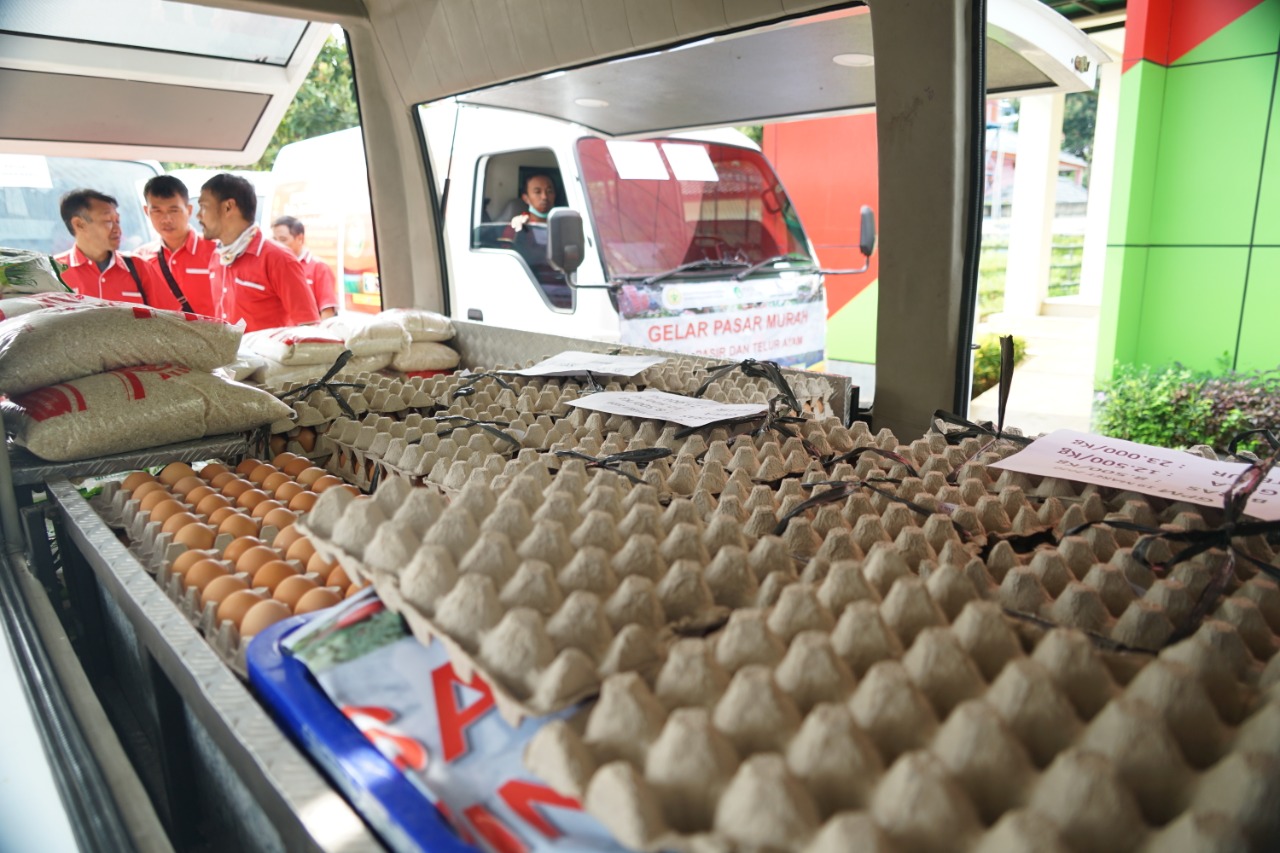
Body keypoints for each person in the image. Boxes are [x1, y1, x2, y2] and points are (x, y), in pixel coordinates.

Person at [197, 174, 319, 332]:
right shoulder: (217, 257)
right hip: (227, 357)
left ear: (228, 207)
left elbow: (309, 327)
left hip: (266, 357)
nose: (199, 215)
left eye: (204, 207)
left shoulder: (279, 258)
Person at [55, 189, 181, 309]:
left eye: (118, 221)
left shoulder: (139, 268)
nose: (118, 230)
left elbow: (172, 319)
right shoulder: (53, 273)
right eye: (108, 221)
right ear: (79, 224)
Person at [137, 175, 216, 316]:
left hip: (210, 337)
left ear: (189, 210)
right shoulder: (139, 260)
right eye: (157, 211)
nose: (166, 219)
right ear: (146, 212)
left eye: (174, 210)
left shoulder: (216, 252)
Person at [271, 215, 338, 318]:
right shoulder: (273, 267)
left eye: (283, 240)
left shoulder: (319, 268)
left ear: (299, 239)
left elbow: (327, 313)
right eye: (274, 240)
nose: (277, 245)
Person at [498, 172, 556, 264]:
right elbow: (507, 260)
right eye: (537, 192)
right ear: (526, 198)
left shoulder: (563, 224)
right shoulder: (517, 226)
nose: (544, 197)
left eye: (549, 191)